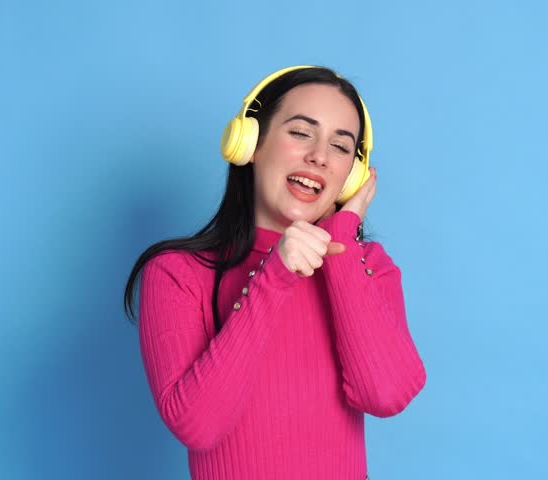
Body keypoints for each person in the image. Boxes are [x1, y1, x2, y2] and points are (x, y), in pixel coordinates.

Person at [124, 65, 426, 479]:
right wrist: (275, 276)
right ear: (250, 143)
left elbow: (386, 394)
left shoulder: (367, 267)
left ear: (352, 176)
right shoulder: (178, 273)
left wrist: (340, 242)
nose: (319, 156)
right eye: (301, 132)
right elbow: (198, 425)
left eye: (340, 146)